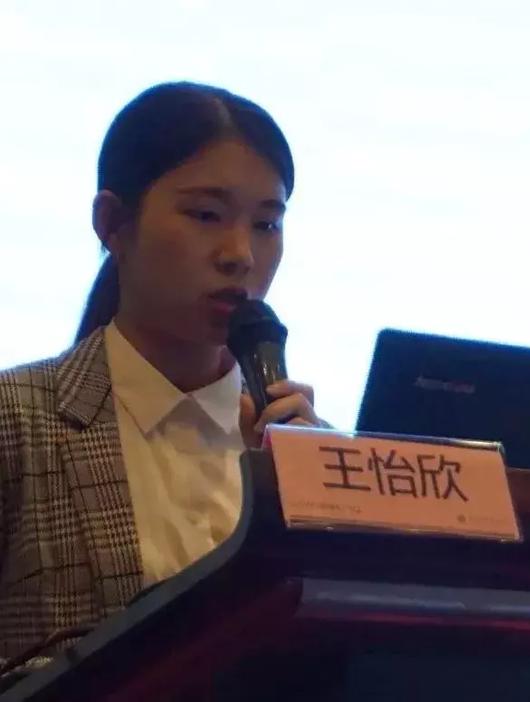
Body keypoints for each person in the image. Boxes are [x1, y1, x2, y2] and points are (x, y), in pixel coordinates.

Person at [0, 81, 325, 672]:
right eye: (206, 215)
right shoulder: (17, 420)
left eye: (266, 224)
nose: (240, 254)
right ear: (112, 223)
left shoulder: (310, 450)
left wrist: (316, 487)